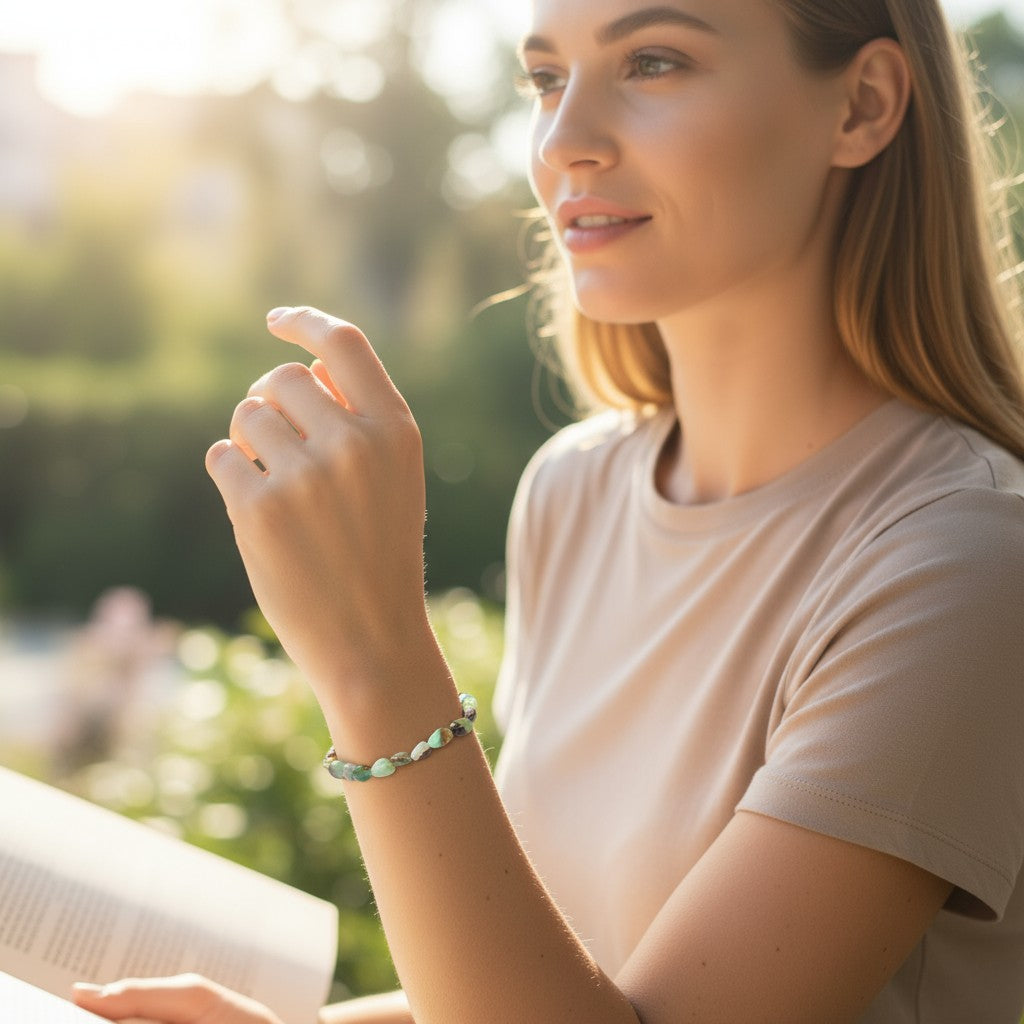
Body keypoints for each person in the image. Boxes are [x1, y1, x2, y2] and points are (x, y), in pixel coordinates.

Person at [72, 0, 1024, 1021]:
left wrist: (374, 661)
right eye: (544, 79)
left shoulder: (964, 564)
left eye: (652, 61)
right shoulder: (574, 490)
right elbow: (565, 983)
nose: (562, 141)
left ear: (862, 105)